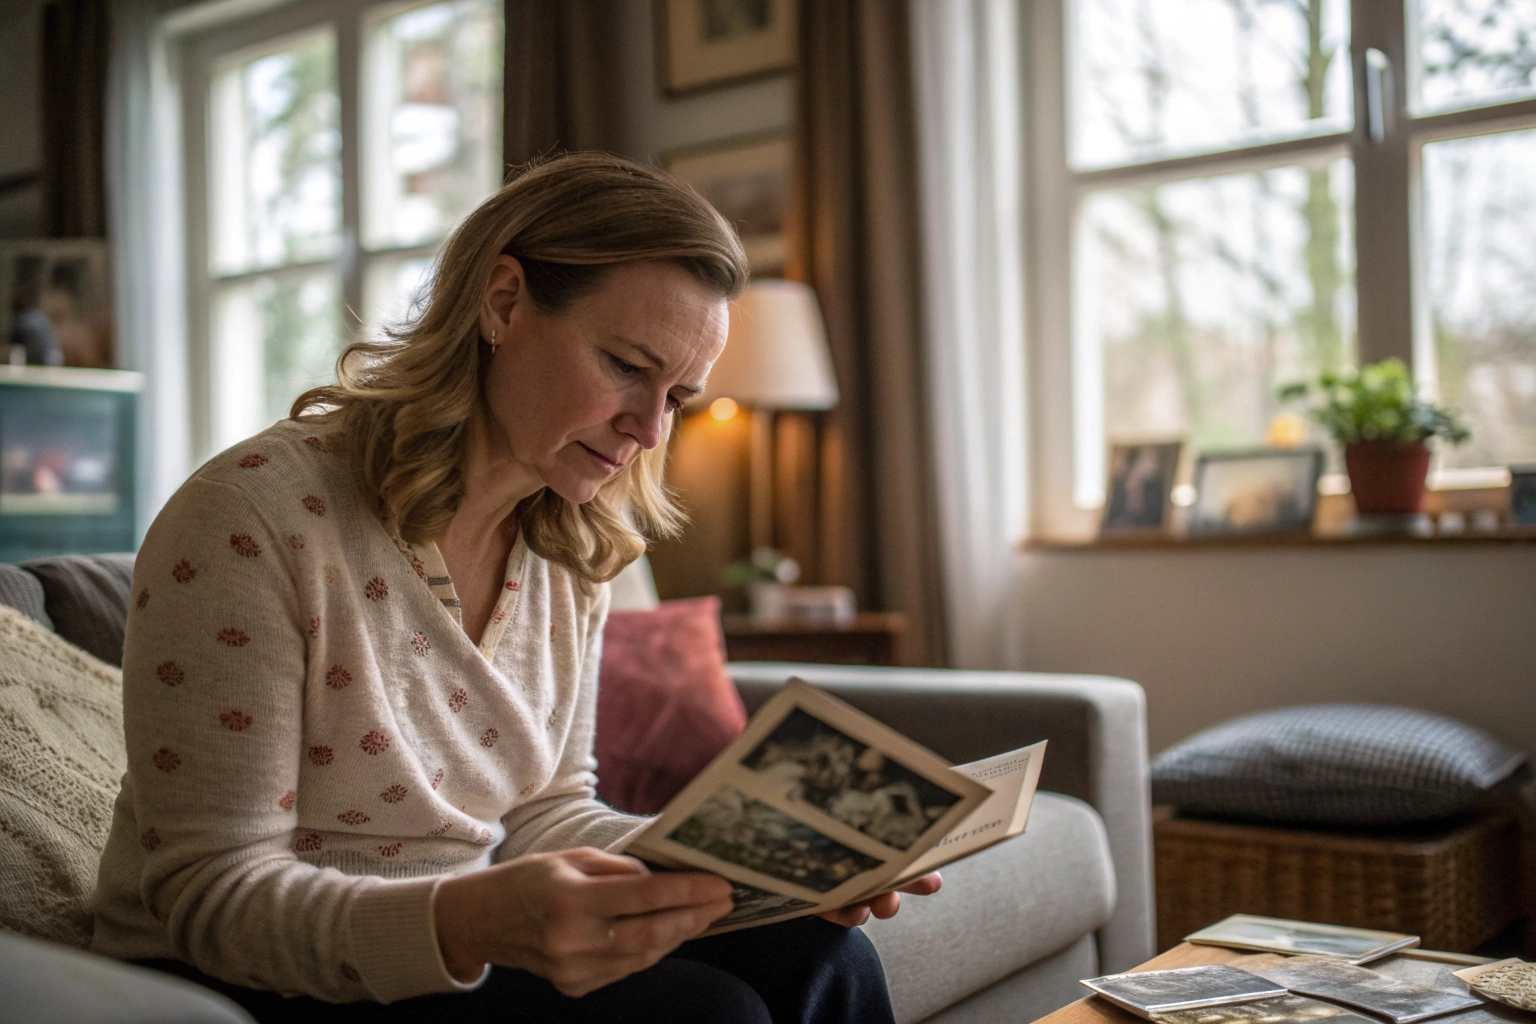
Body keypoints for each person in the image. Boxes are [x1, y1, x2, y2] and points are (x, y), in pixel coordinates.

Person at [90, 152, 939, 1024]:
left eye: (677, 396)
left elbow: (547, 811)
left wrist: (751, 866)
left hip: (472, 926)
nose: (649, 429)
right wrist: (463, 921)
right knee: (706, 1014)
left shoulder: (570, 542)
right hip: (254, 974)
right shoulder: (252, 518)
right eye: (624, 365)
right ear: (502, 303)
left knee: (826, 959)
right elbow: (208, 894)